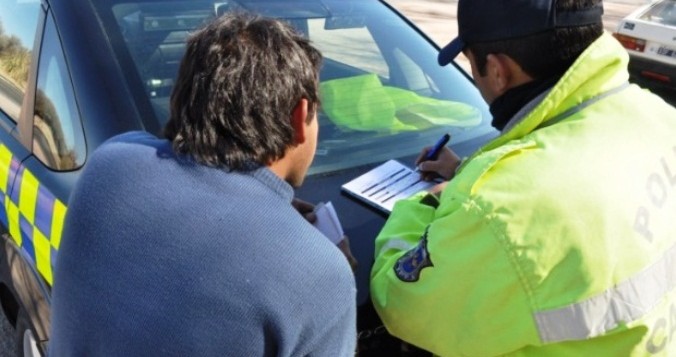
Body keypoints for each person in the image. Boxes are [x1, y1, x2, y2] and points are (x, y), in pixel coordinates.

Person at [370, 0, 676, 355]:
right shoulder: (660, 118)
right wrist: (471, 171)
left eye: (472, 64)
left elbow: (403, 307)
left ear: (499, 71)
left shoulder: (498, 208)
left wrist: (425, 202)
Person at [49, 13, 356, 356]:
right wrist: (328, 266)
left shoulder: (110, 161)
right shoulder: (320, 276)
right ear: (300, 118)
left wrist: (274, 224)